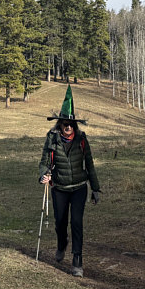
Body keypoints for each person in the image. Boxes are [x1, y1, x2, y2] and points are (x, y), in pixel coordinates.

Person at [38, 86, 100, 277]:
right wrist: (43, 175)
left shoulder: (81, 139)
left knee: (76, 222)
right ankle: (62, 243)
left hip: (79, 188)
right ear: (60, 124)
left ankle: (77, 260)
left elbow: (89, 163)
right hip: (59, 187)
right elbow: (44, 162)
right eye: (65, 123)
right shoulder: (52, 139)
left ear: (75, 125)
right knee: (60, 222)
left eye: (71, 124)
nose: (68, 126)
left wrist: (95, 189)